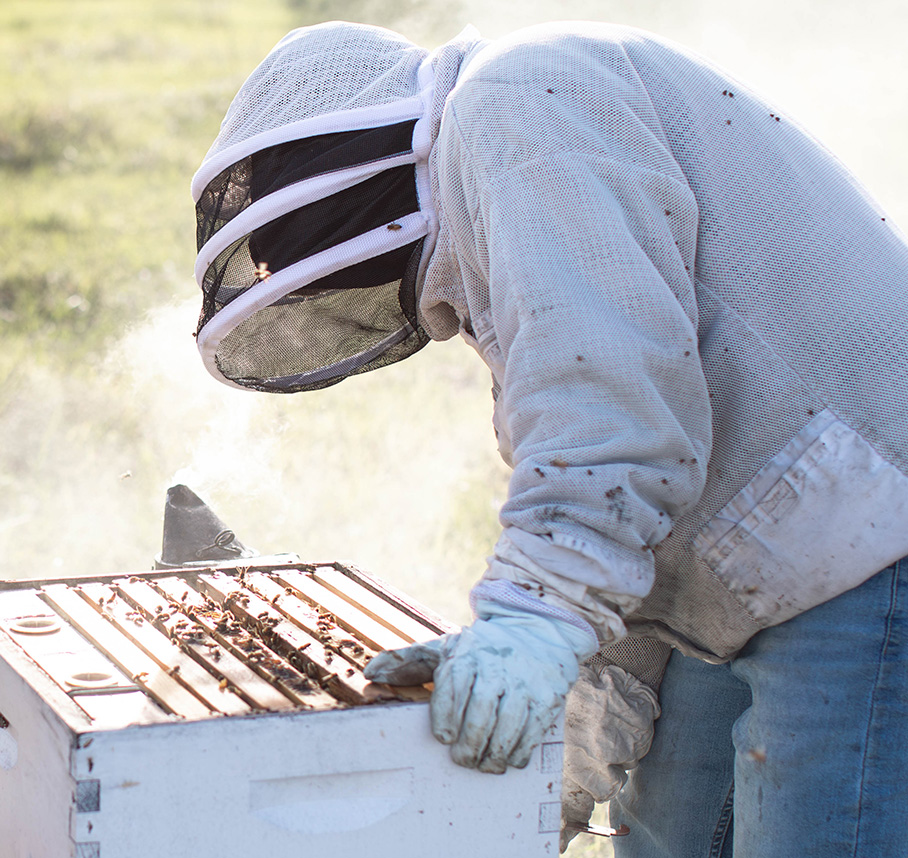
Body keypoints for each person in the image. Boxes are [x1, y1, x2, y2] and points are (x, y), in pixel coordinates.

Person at [190, 20, 908, 857]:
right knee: (664, 835)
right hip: (763, 546)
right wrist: (556, 772)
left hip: (866, 526)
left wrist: (530, 624)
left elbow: (608, 422)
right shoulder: (505, 181)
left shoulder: (516, 105)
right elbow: (624, 511)